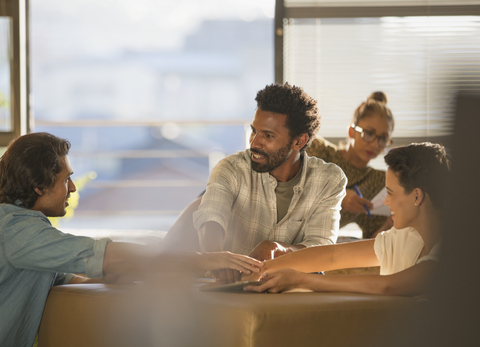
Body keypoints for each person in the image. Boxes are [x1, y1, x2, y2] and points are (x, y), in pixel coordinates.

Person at [0, 132, 263, 347]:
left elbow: (70, 275)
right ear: (38, 186)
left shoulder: (25, 232)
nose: (73, 187)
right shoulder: (15, 228)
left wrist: (121, 273)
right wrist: (205, 260)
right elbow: (105, 255)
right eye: (66, 178)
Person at [244, 142, 449, 295]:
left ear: (416, 196)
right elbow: (333, 255)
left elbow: (388, 286)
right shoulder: (404, 239)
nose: (386, 202)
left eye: (391, 193)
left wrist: (301, 280)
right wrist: (263, 269)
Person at [191, 83, 347, 284]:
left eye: (268, 135)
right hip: (231, 289)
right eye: (254, 131)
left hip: (291, 293)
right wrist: (216, 257)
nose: (255, 142)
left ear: (299, 141)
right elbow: (210, 217)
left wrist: (279, 249)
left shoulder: (329, 180)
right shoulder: (230, 168)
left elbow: (321, 247)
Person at [307, 92, 394, 239]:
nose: (374, 144)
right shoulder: (317, 149)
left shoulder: (377, 183)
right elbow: (287, 188)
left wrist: (392, 222)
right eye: (368, 133)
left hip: (315, 245)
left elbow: (374, 242)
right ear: (351, 131)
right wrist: (339, 195)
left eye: (383, 138)